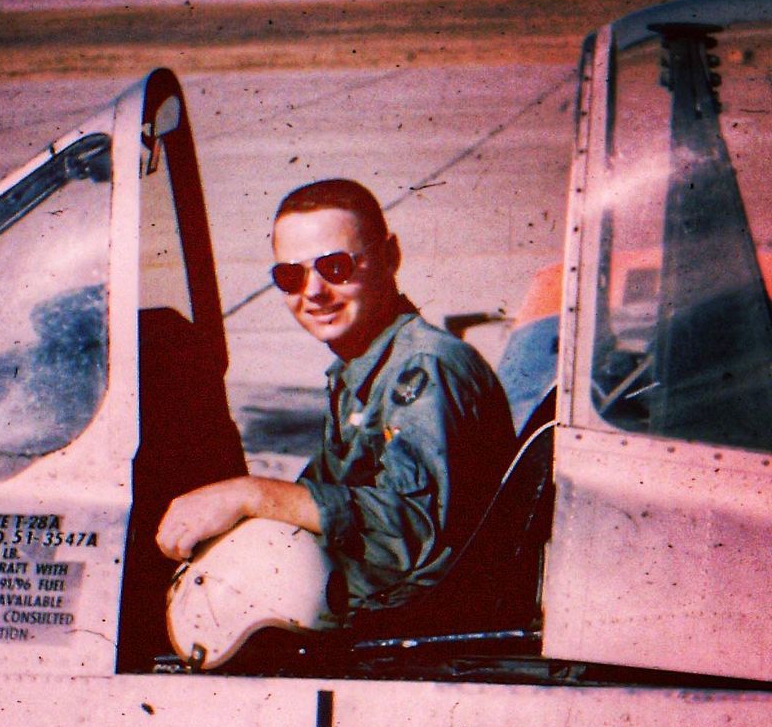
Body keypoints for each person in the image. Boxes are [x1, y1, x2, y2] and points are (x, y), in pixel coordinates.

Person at [157, 178, 516, 618]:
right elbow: (322, 500)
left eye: (335, 267)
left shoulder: (427, 368)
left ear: (390, 257)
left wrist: (252, 495)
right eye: (291, 276)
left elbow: (413, 532)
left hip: (422, 621)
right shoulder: (359, 370)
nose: (312, 292)